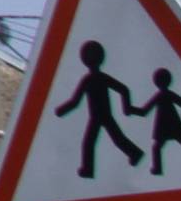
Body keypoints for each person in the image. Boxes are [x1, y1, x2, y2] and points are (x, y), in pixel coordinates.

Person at [61, 40, 144, 180]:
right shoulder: (93, 78)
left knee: (93, 142)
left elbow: (75, 102)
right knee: (111, 139)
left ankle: (89, 169)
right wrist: (61, 111)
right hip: (100, 115)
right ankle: (134, 153)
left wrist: (61, 111)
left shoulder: (91, 79)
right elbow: (75, 101)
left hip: (100, 115)